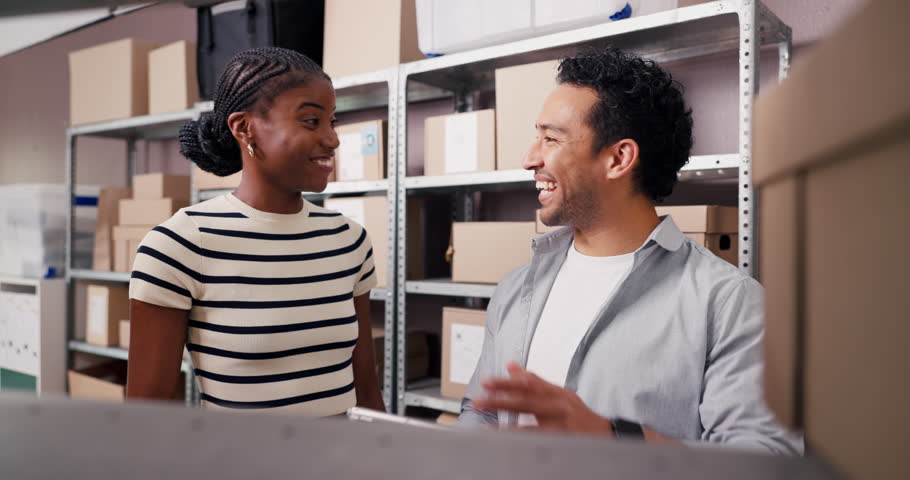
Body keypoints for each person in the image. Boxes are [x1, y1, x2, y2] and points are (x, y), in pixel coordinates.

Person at [457, 48, 801, 454]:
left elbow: (766, 460)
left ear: (619, 158)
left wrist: (615, 437)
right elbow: (480, 413)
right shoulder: (516, 287)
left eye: (551, 139)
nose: (529, 158)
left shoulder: (728, 304)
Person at [125, 47, 385, 416]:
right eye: (311, 121)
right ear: (244, 128)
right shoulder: (181, 244)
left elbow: (367, 391)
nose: (332, 139)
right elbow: (147, 416)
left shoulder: (349, 240)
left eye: (332, 122)